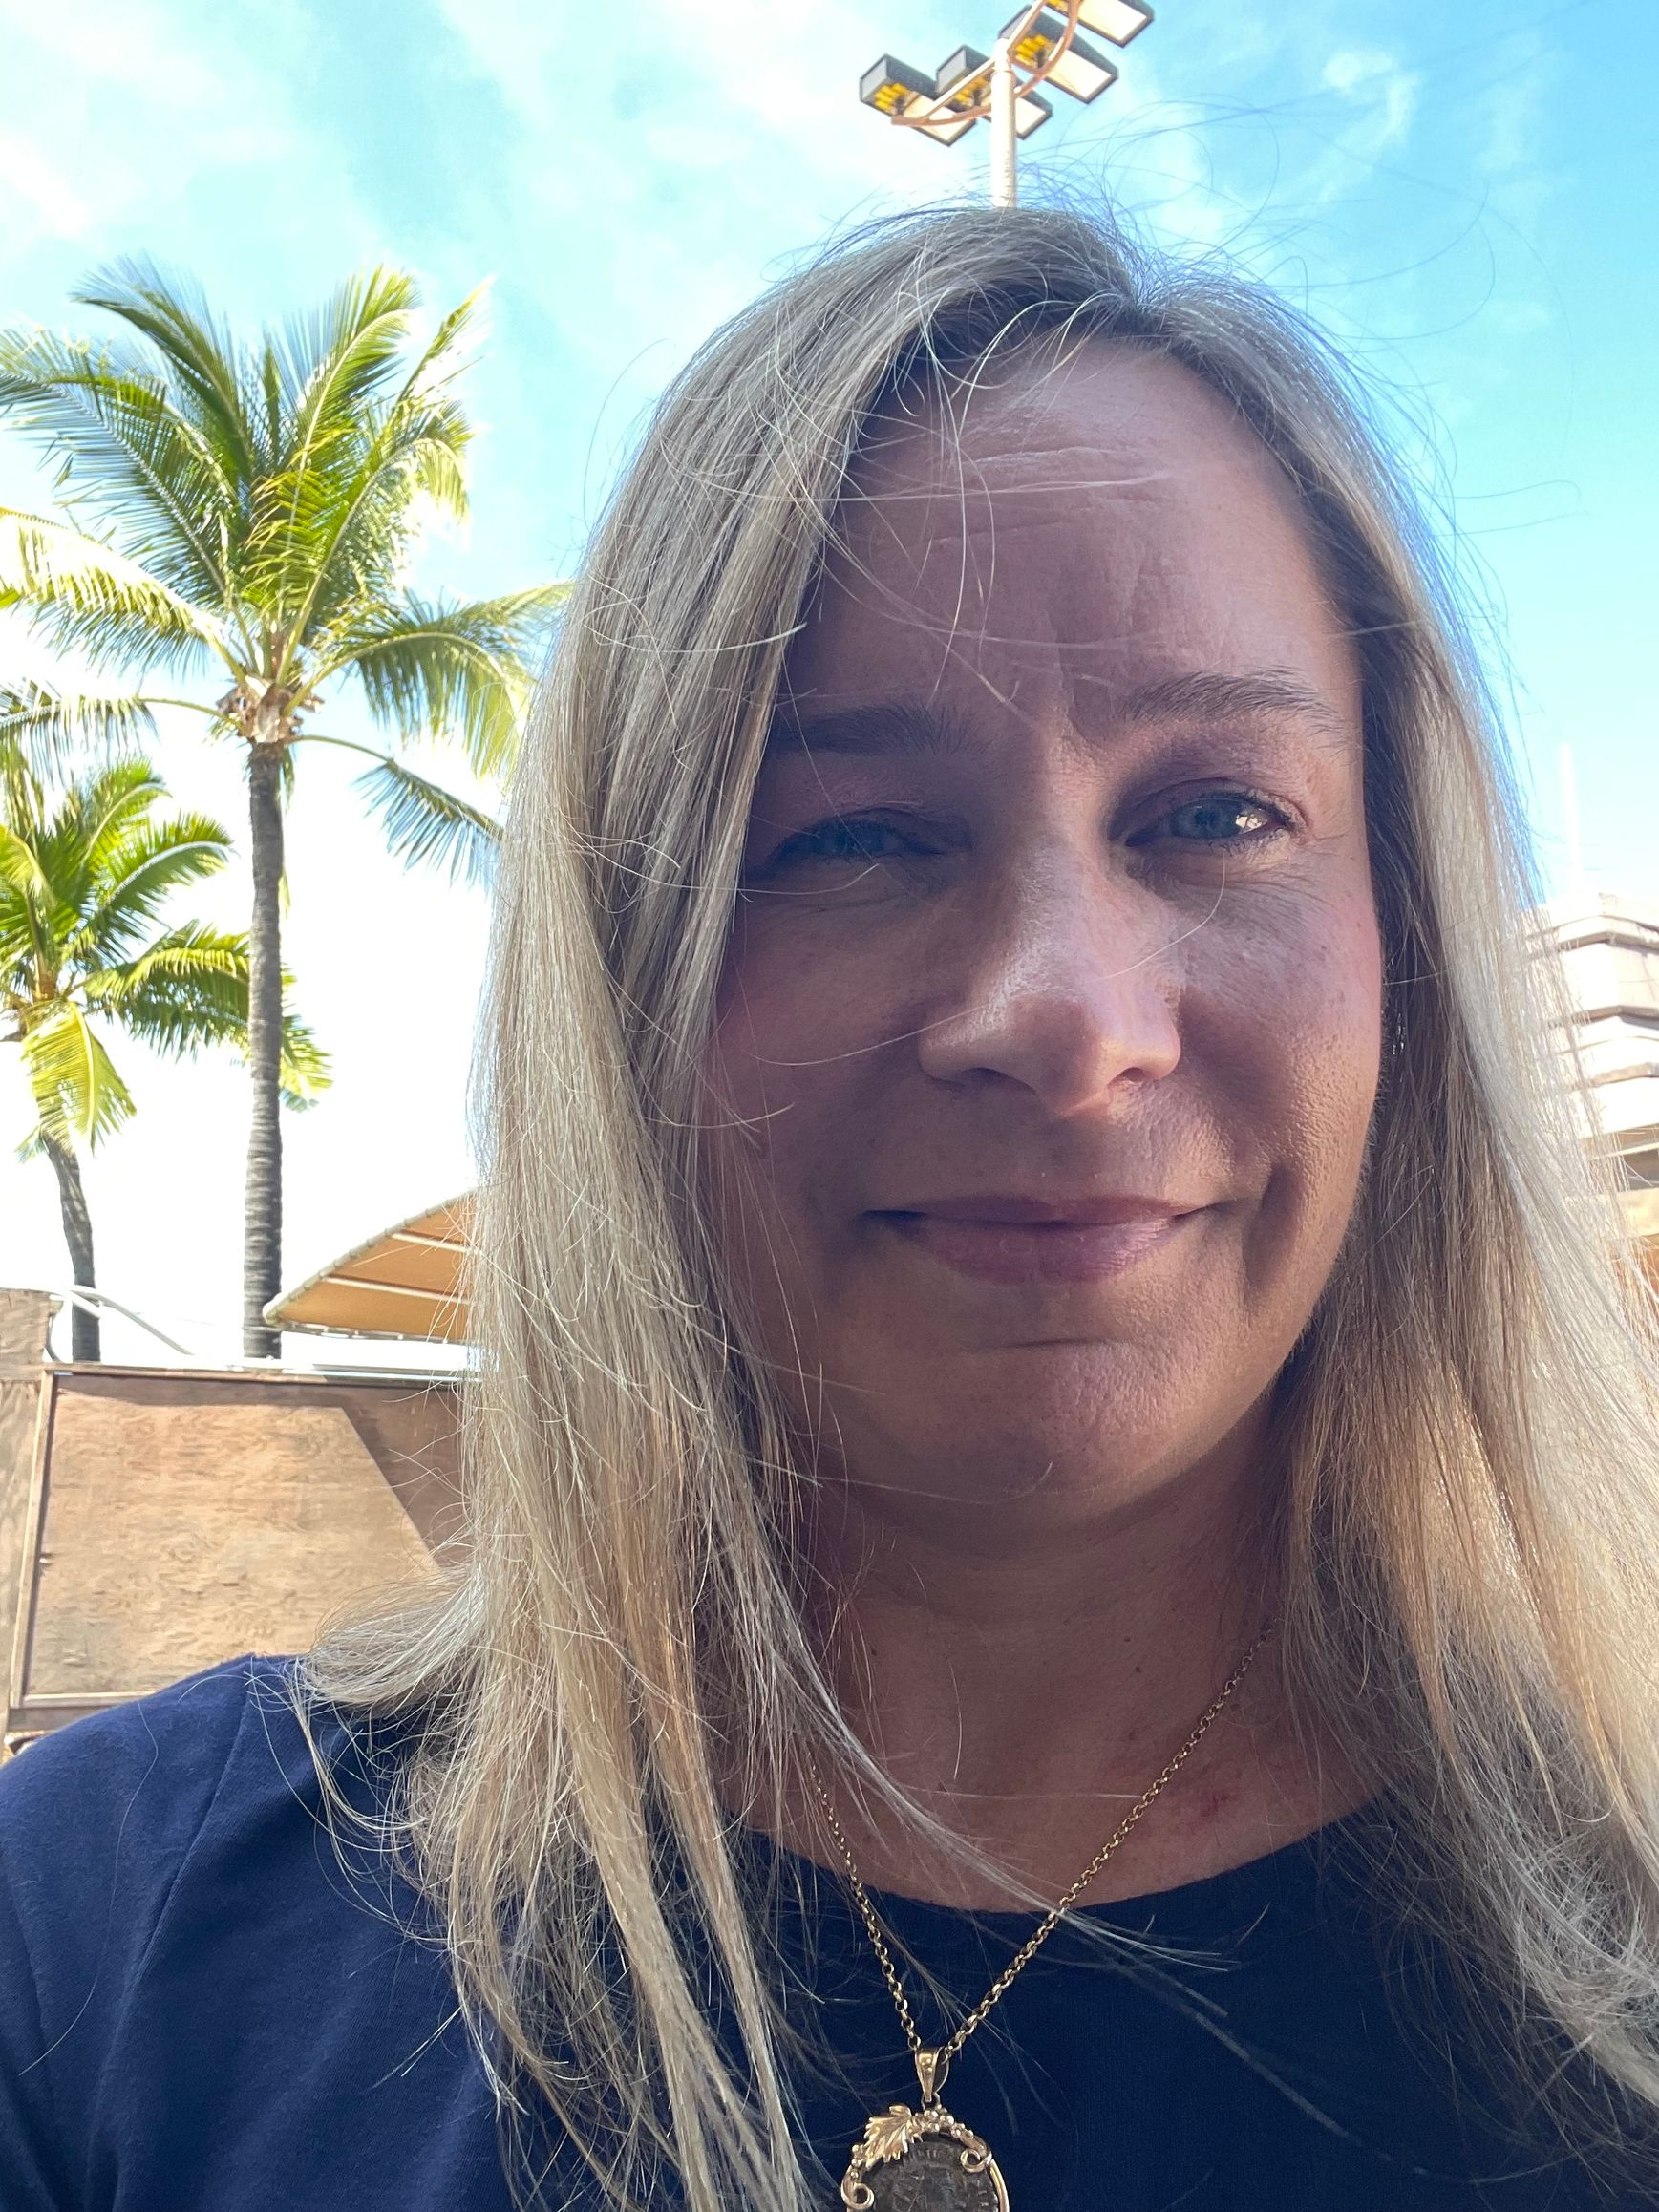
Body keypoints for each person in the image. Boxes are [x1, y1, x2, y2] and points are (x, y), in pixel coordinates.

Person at [5, 201, 1659, 2212]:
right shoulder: (104, 1944)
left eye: (1217, 812)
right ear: (623, 975)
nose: (1070, 1022)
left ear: (1403, 936)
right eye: (853, 832)